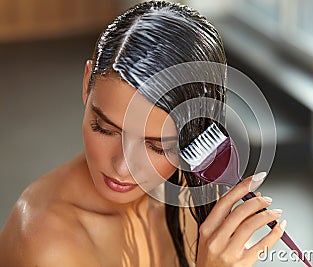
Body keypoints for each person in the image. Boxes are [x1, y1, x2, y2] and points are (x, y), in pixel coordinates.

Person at [0, 1, 286, 266]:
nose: (122, 168)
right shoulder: (47, 244)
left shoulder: (188, 190)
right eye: (105, 129)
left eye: (158, 147)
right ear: (87, 84)